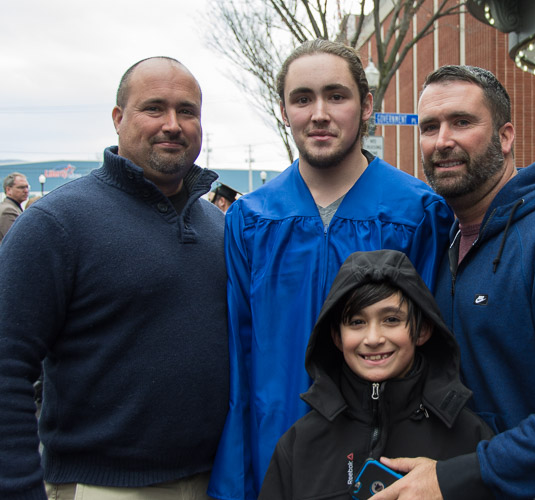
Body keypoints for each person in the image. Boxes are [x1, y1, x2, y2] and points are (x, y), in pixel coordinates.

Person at [208, 39, 454, 500]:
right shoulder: (251, 220)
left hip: (383, 457)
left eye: (335, 96)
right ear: (284, 111)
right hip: (275, 446)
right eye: (303, 98)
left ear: (366, 106)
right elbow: (240, 359)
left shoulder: (418, 213)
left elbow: (432, 351)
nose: (319, 113)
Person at [0, 57, 229, 500]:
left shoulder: (221, 229)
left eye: (187, 111)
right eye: (154, 108)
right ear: (118, 119)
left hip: (216, 482)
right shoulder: (55, 223)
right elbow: (7, 365)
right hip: (100, 487)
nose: (172, 124)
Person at [370, 65, 535, 499]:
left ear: (506, 135)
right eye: (430, 127)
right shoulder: (443, 242)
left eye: (462, 122)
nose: (442, 141)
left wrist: (466, 473)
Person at [258, 249, 494, 500]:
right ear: (337, 337)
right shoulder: (300, 444)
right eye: (357, 322)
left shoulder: (470, 438)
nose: (373, 339)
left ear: (423, 330)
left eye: (391, 319)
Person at [0, 172, 29, 242]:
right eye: (21, 187)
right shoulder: (8, 210)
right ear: (8, 190)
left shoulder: (10, 207)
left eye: (27, 187)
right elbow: (15, 241)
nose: (26, 191)